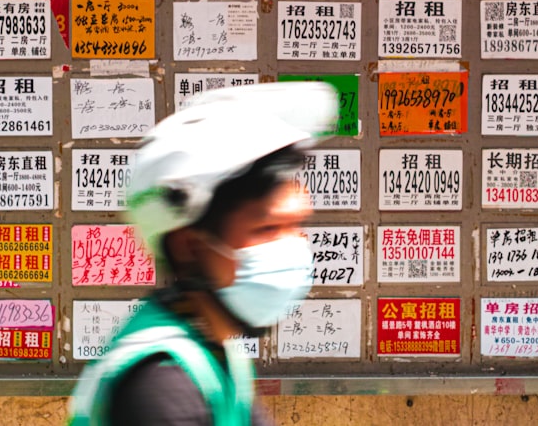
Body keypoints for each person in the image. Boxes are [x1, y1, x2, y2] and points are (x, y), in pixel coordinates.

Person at [67, 81, 338, 426]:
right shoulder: (162, 387)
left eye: (295, 226)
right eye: (266, 229)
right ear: (189, 246)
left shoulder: (215, 350)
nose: (293, 246)